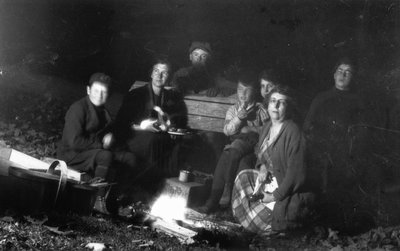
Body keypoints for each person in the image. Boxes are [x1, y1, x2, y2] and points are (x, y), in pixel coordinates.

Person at [231, 85, 315, 234]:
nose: (275, 106)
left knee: (272, 215)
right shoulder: (268, 126)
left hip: (287, 190)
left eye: (281, 103)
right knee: (243, 176)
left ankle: (267, 223)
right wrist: (262, 167)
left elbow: (296, 175)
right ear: (267, 104)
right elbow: (260, 152)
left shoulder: (293, 133)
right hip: (272, 181)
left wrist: (274, 196)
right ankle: (254, 219)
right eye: (273, 101)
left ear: (289, 108)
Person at [57, 73, 137, 215]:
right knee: (105, 156)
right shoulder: (78, 109)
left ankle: (114, 199)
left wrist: (112, 138)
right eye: (96, 91)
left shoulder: (103, 112)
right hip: (72, 154)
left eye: (104, 92)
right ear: (88, 90)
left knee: (130, 158)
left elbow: (107, 134)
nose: (99, 95)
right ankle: (96, 200)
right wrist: (101, 144)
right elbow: (74, 141)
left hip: (93, 152)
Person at [303, 57, 367, 229]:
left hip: (346, 153)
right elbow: (308, 127)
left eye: (348, 72)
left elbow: (362, 132)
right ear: (333, 74)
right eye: (340, 70)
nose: (343, 74)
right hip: (320, 151)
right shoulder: (321, 98)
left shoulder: (358, 102)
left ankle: (338, 226)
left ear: (353, 77)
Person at [196, 70, 270, 214]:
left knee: (235, 154)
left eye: (247, 91)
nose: (242, 94)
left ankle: (230, 198)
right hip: (237, 146)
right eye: (240, 90)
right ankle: (213, 200)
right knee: (227, 155)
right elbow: (227, 131)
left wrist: (250, 129)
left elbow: (267, 131)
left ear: (254, 92)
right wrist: (239, 118)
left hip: (255, 148)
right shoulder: (233, 110)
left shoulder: (261, 110)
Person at [114, 58, 187, 177]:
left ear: (169, 76)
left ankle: (167, 182)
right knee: (153, 140)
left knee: (176, 144)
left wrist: (172, 128)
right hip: (133, 136)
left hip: (159, 135)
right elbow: (121, 123)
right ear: (152, 74)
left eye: (165, 72)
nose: (160, 75)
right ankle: (148, 181)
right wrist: (143, 127)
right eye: (156, 71)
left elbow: (174, 121)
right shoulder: (136, 95)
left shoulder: (170, 97)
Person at [171, 41, 235, 97]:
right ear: (190, 57)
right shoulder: (180, 74)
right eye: (196, 55)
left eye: (203, 56)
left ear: (208, 59)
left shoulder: (214, 76)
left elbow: (233, 88)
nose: (198, 59)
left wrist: (218, 90)